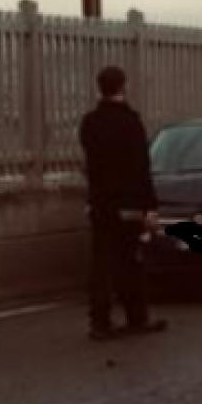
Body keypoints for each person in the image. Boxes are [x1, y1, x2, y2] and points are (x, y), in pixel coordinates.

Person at [78, 66, 168, 341]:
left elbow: (91, 165)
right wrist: (149, 206)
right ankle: (136, 315)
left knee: (101, 264)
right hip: (128, 203)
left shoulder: (90, 123)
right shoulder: (131, 122)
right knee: (131, 259)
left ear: (99, 88)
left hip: (101, 203)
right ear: (123, 86)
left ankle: (100, 322)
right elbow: (142, 167)